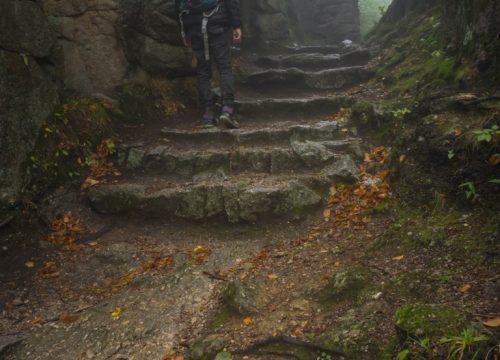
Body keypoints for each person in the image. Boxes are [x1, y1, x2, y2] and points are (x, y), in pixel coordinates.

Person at [175, 0, 242, 129]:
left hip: (195, 28)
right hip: (218, 25)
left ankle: (207, 115)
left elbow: (178, 6)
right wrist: (236, 25)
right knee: (224, 68)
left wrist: (184, 31)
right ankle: (227, 111)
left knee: (203, 71)